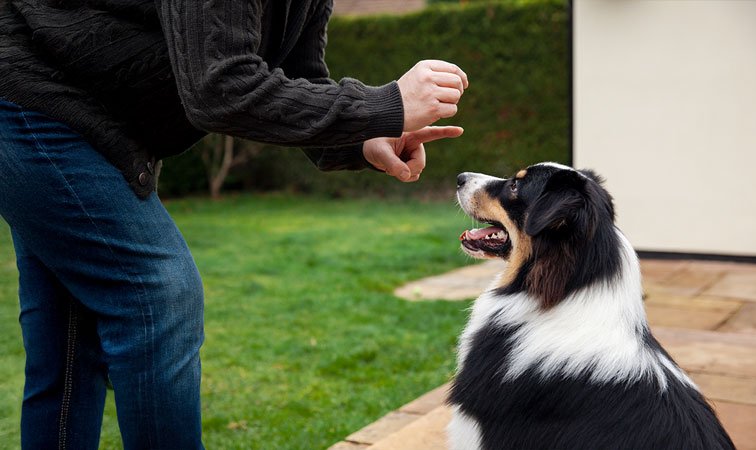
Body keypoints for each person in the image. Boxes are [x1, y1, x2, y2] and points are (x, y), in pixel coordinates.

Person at [0, 0, 468, 448]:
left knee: (69, 342)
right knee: (157, 293)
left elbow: (299, 77)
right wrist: (384, 103)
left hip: (77, 117)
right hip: (29, 97)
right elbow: (220, 87)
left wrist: (364, 137)